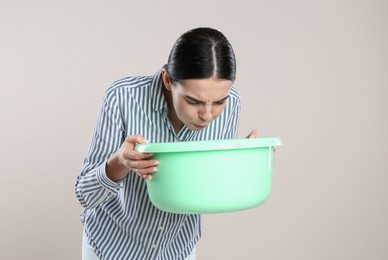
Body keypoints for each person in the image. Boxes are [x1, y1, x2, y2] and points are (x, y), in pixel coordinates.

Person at [75, 27, 259, 260]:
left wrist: (246, 163)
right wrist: (120, 162)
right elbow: (85, 196)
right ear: (168, 80)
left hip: (176, 248)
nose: (208, 115)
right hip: (112, 245)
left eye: (219, 101)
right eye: (194, 101)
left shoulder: (232, 104)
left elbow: (207, 190)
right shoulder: (122, 97)